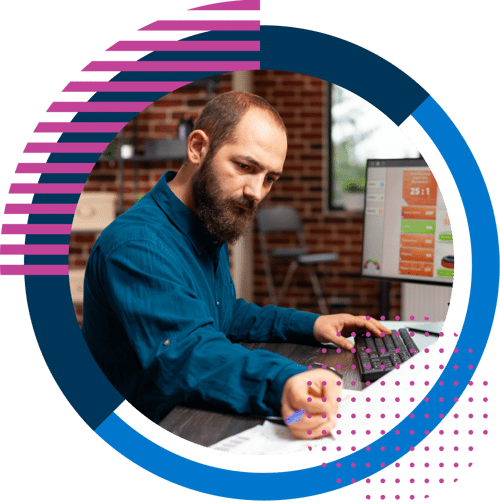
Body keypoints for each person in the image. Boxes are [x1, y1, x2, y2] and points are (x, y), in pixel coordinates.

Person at [82, 91, 390, 440]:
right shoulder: (137, 245)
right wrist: (284, 381)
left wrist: (314, 323)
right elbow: (186, 352)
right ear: (198, 148)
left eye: (270, 178)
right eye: (245, 167)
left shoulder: (204, 224)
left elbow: (227, 315)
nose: (256, 192)